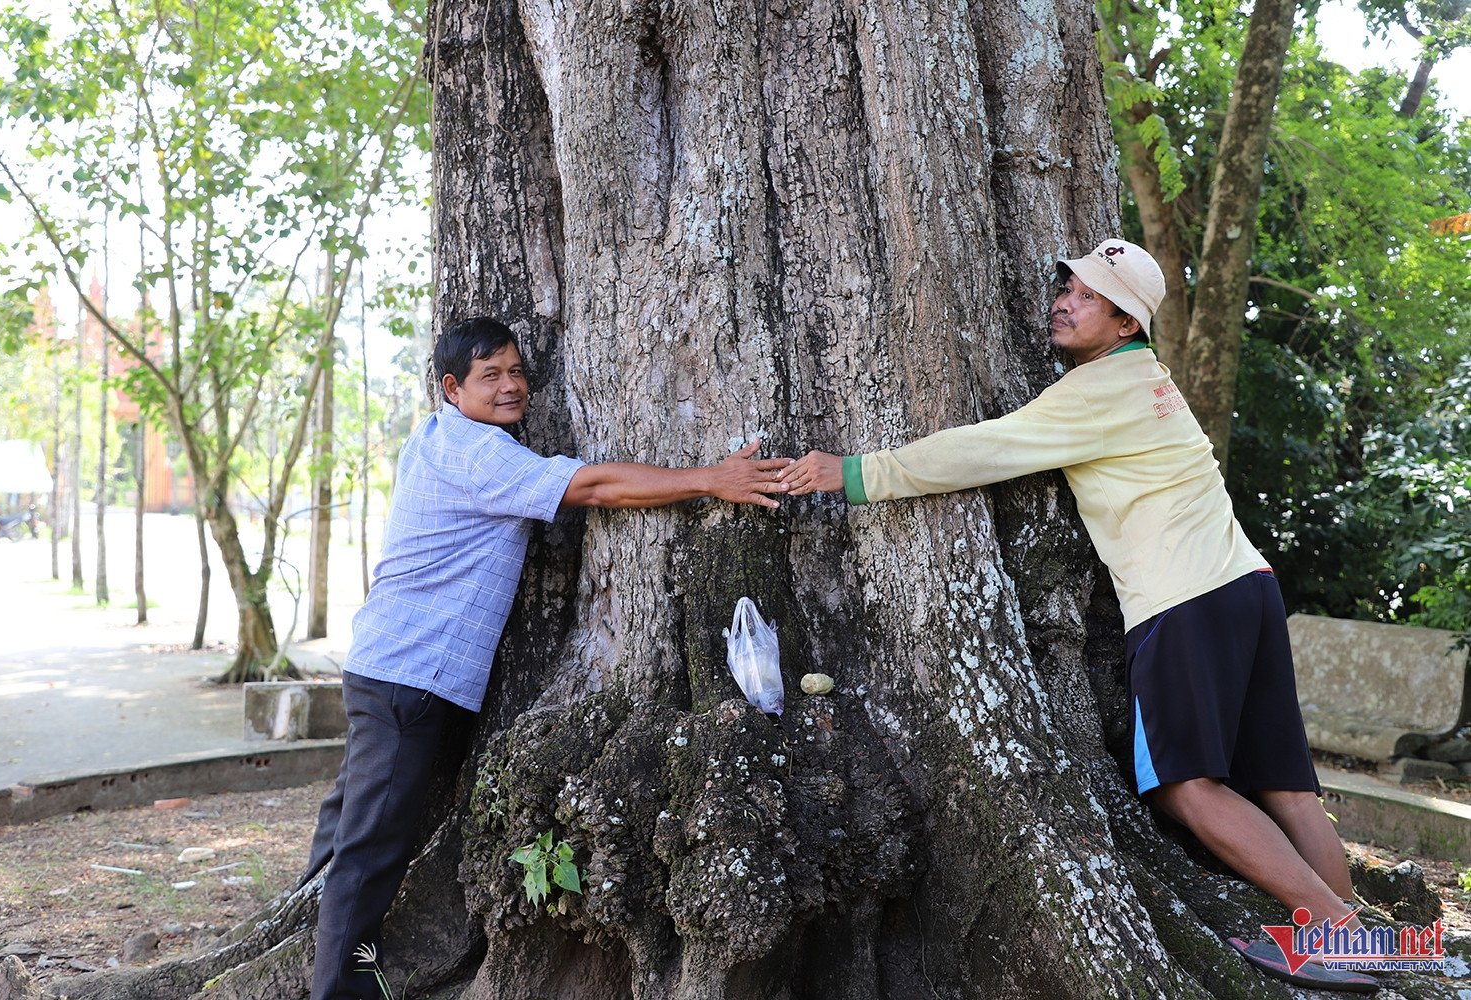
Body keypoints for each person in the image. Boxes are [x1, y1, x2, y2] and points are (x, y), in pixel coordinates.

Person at [777, 240, 1378, 995]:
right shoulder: (1147, 380)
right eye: (1068, 283)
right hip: (1244, 586)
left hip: (1185, 597)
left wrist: (858, 473)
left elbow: (981, 450)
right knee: (1285, 788)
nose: (1064, 298)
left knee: (1185, 789)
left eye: (1088, 295)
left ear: (1125, 323)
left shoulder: (1098, 391)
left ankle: (1334, 931)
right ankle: (1362, 943)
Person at [302, 316, 789, 1000]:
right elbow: (590, 487)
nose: (510, 387)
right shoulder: (480, 454)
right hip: (409, 675)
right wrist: (713, 479)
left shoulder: (438, 436)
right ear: (452, 387)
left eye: (516, 372)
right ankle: (337, 989)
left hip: (384, 665)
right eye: (489, 376)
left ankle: (307, 941)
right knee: (372, 846)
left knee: (348, 823)